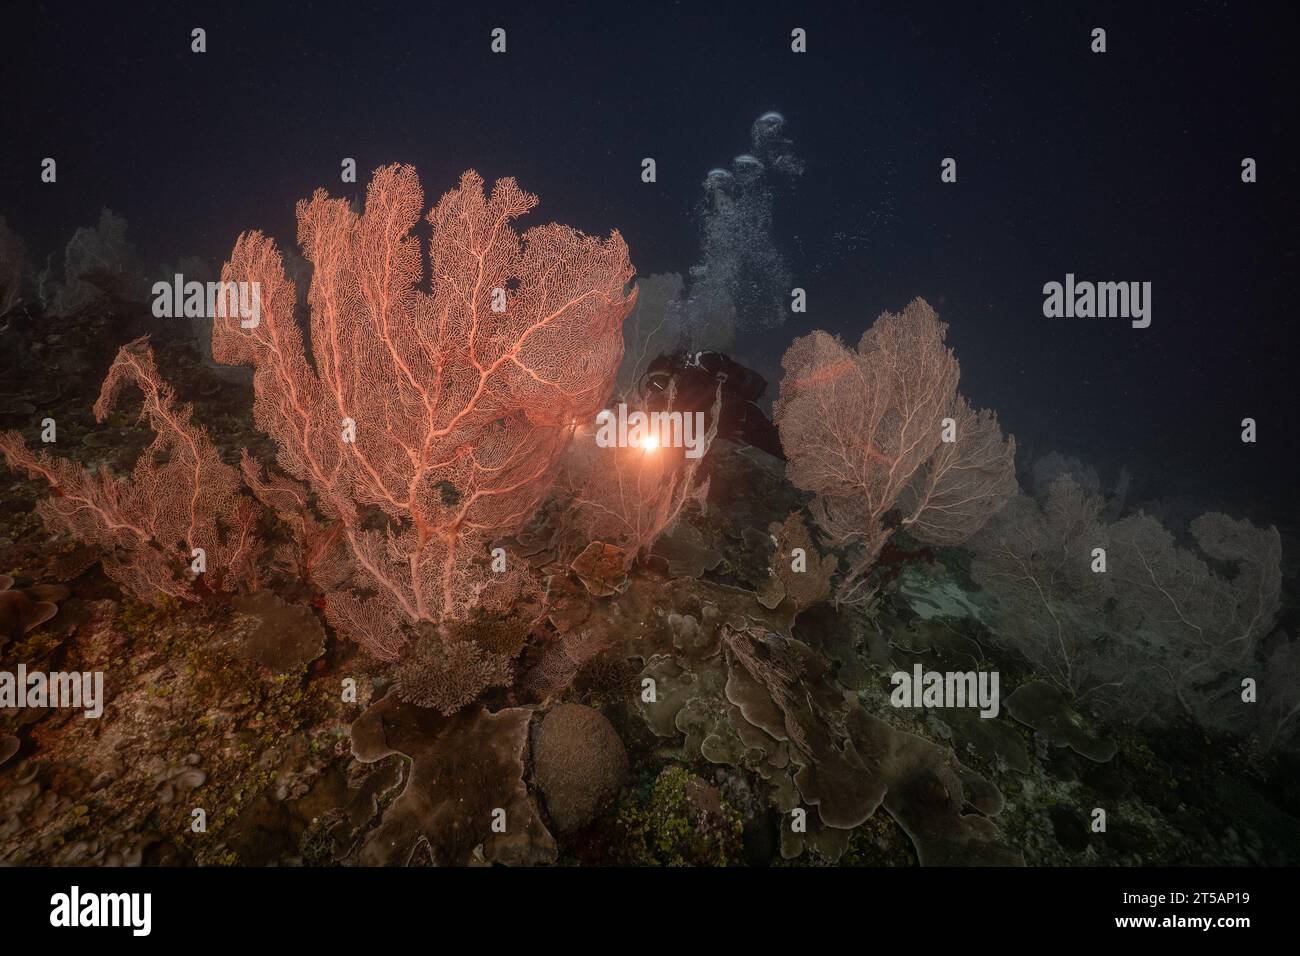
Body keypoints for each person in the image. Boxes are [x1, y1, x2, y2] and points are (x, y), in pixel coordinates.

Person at [638, 349, 786, 460]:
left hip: (747, 421)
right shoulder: (683, 393)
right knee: (784, 450)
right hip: (742, 427)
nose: (661, 390)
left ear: (672, 374)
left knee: (785, 449)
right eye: (656, 387)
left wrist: (721, 428)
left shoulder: (694, 382)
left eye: (660, 383)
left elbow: (724, 405)